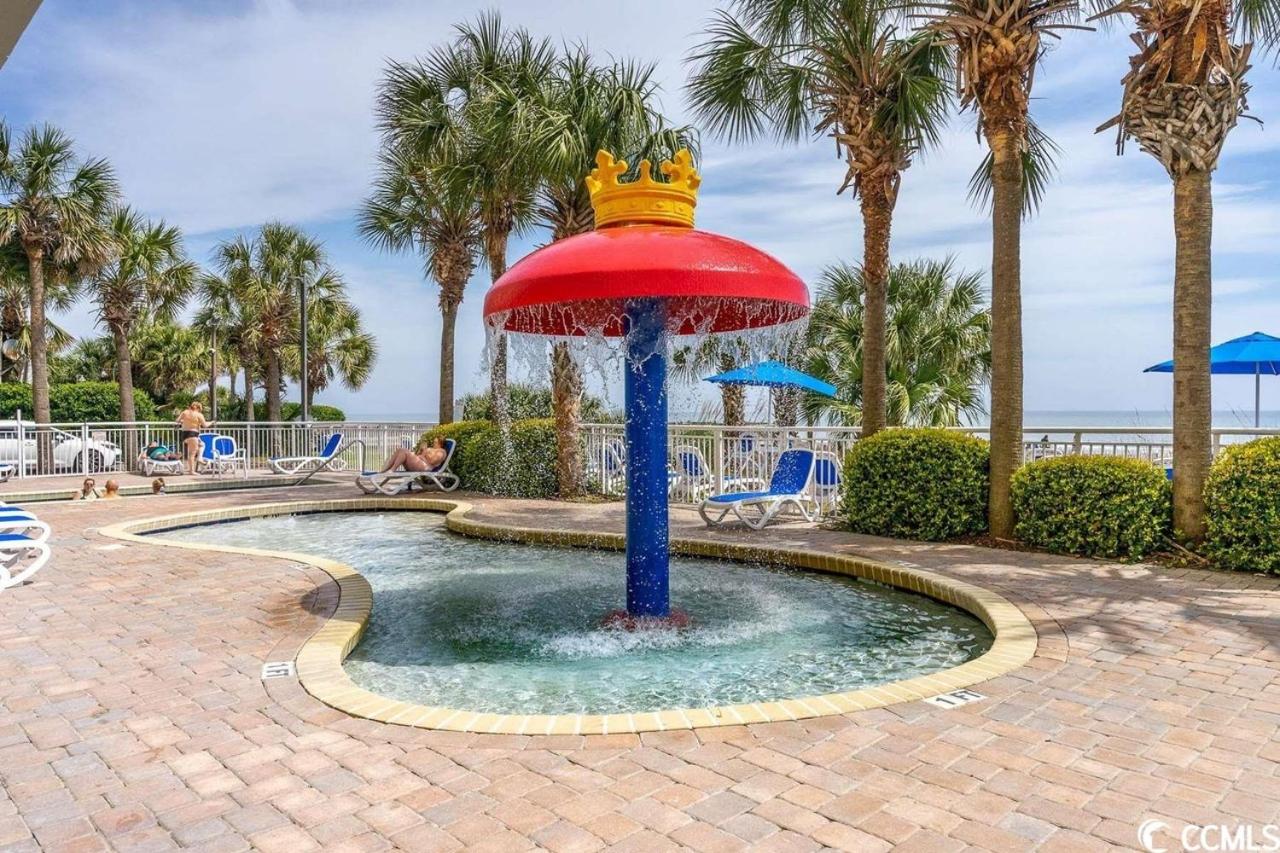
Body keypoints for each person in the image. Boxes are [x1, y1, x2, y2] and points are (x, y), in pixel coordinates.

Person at [377, 437, 447, 474]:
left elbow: (432, 462)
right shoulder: (432, 449)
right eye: (434, 442)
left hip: (426, 467)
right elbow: (419, 455)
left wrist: (423, 455)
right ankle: (386, 468)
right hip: (419, 463)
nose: (434, 443)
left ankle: (392, 470)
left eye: (435, 442)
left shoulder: (442, 452)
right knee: (400, 449)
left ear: (440, 443)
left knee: (403, 451)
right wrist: (421, 450)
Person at [175, 401, 209, 475]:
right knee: (192, 454)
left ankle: (199, 458)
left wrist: (184, 421)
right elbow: (205, 425)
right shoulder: (199, 415)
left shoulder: (185, 412)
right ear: (198, 408)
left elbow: (177, 420)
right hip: (193, 434)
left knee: (201, 444)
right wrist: (212, 422)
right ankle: (192, 471)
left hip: (184, 434)